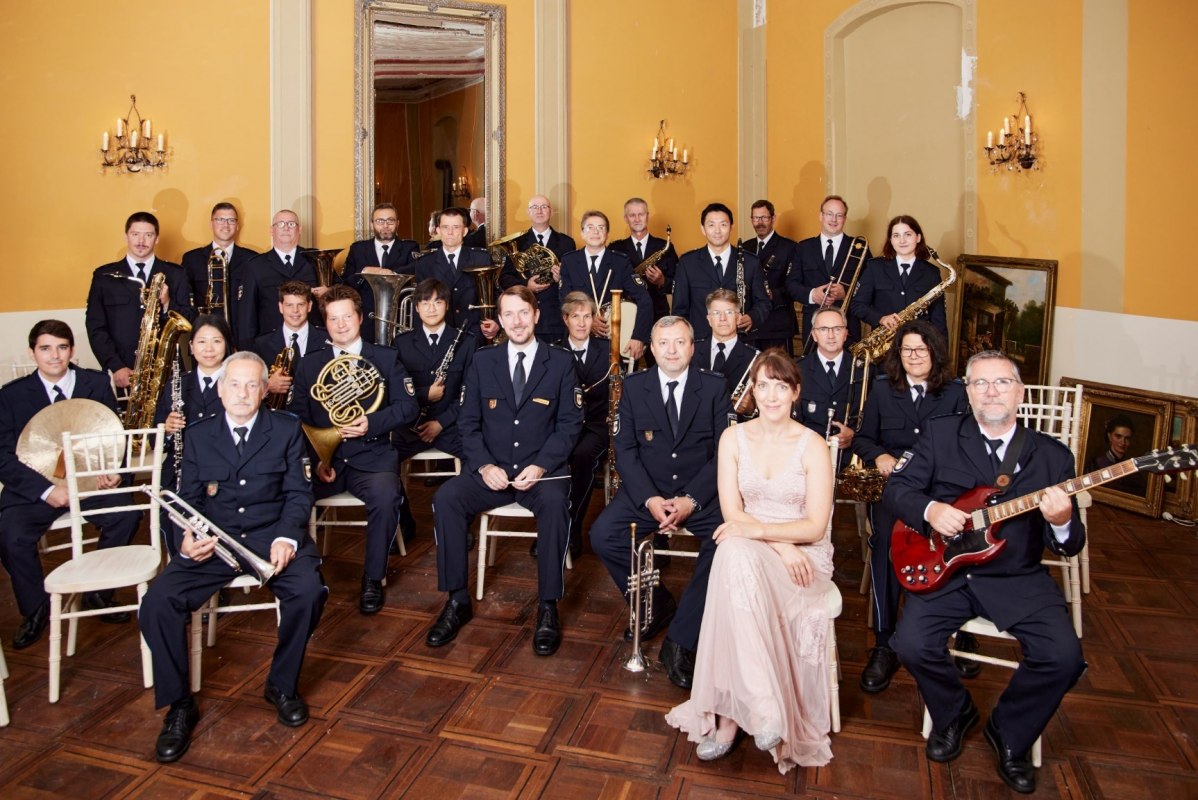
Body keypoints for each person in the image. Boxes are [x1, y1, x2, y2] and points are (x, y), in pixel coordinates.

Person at [888, 351, 1087, 794]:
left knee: (1064, 657)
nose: (991, 392)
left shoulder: (1052, 457)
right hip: (950, 572)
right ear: (968, 392)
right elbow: (897, 489)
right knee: (911, 644)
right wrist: (931, 509)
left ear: (1020, 393)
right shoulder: (940, 433)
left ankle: (1010, 733)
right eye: (980, 383)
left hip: (1017, 576)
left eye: (1002, 382)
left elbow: (1070, 544)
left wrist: (1061, 521)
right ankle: (954, 713)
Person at [139, 351, 327, 763]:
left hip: (270, 536)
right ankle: (179, 704)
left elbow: (299, 493)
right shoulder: (199, 435)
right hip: (213, 542)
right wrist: (186, 539)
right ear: (221, 389)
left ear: (263, 391)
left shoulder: (286, 429)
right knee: (156, 603)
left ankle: (281, 685)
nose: (242, 393)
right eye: (234, 384)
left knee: (309, 592)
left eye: (251, 385)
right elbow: (187, 500)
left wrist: (287, 537)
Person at [665, 349, 834, 771]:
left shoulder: (813, 446)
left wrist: (775, 542)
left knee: (731, 554)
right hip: (765, 549)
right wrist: (777, 544)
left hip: (803, 557)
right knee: (733, 552)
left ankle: (728, 721)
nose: (771, 395)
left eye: (781, 386)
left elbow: (815, 527)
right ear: (752, 392)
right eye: (763, 386)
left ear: (795, 392)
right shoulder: (733, 438)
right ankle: (763, 707)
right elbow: (733, 513)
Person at [425, 286, 582, 656]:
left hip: (540, 473)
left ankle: (548, 606)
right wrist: (483, 465)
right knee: (446, 498)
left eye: (523, 312)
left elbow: (569, 425)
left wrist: (541, 466)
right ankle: (457, 600)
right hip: (491, 471)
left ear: (537, 315)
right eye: (508, 314)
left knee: (556, 505)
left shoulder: (560, 362)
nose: (517, 321)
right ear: (499, 320)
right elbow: (468, 424)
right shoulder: (483, 361)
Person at [588, 316, 733, 689]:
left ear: (692, 347)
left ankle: (681, 639)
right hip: (647, 492)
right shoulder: (634, 386)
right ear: (651, 349)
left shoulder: (714, 387)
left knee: (726, 544)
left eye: (680, 342)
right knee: (603, 535)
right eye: (663, 343)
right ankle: (655, 603)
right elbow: (625, 450)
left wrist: (691, 500)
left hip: (700, 495)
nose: (672, 350)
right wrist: (650, 498)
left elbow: (724, 453)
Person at [0, 320, 143, 649]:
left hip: (90, 482)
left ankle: (98, 591)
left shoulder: (96, 383)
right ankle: (36, 609)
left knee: (126, 516)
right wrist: (47, 491)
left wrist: (116, 471)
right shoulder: (11, 395)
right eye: (45, 348)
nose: (54, 356)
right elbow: (3, 456)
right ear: (32, 352)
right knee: (11, 536)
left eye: (62, 347)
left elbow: (113, 433)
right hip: (36, 488)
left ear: (72, 350)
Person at [852, 320, 971, 693]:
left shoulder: (956, 393)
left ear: (934, 352)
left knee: (961, 542)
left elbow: (968, 447)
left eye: (921, 349)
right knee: (885, 545)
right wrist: (879, 455)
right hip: (896, 491)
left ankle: (959, 632)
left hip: (942, 492)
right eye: (907, 350)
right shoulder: (883, 389)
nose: (914, 356)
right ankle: (884, 642)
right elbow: (863, 439)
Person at [290, 285, 419, 614]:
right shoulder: (309, 365)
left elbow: (408, 408)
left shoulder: (385, 358)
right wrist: (317, 459)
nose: (341, 324)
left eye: (347, 317)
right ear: (325, 323)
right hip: (327, 461)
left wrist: (371, 423)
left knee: (386, 496)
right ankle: (303, 579)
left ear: (360, 318)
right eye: (333, 319)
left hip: (371, 457)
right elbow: (299, 420)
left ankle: (372, 578)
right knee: (288, 495)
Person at [392, 278, 477, 538]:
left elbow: (471, 394)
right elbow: (396, 391)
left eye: (438, 302)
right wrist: (423, 395)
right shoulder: (402, 343)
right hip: (412, 426)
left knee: (478, 457)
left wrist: (441, 423)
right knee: (383, 457)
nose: (431, 308)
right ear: (416, 307)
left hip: (451, 426)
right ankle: (404, 523)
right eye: (425, 303)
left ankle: (462, 523)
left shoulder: (467, 342)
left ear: (447, 306)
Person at [156, 315, 235, 556]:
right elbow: (154, 440)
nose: (208, 349)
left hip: (226, 469)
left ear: (227, 346)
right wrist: (167, 430)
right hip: (181, 470)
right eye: (201, 342)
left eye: (216, 341)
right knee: (171, 516)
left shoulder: (238, 383)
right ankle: (182, 562)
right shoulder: (176, 384)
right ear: (191, 347)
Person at [85, 211, 193, 389]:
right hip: (124, 371)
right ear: (126, 236)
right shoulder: (104, 276)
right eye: (135, 234)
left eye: (148, 235)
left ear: (157, 239)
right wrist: (115, 366)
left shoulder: (176, 273)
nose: (141, 241)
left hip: (165, 369)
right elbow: (95, 327)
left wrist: (167, 303)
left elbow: (188, 317)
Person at [552, 292, 611, 560]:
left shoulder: (608, 350)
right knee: (550, 455)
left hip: (597, 426)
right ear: (565, 319)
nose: (581, 322)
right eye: (575, 316)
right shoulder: (553, 352)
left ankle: (571, 528)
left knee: (582, 456)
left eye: (587, 316)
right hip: (563, 426)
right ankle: (549, 528)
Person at [559, 209, 653, 362]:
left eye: (601, 227)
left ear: (607, 234)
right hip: (578, 339)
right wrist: (589, 321)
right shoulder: (569, 261)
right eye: (590, 227)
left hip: (612, 342)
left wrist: (639, 337)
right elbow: (564, 301)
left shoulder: (621, 262)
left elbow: (645, 300)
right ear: (582, 233)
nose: (595, 232)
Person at [672, 203, 770, 341]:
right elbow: (679, 310)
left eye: (723, 225)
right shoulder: (687, 263)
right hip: (700, 343)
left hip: (741, 341)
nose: (717, 231)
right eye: (711, 225)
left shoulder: (750, 262)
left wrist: (752, 317)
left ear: (731, 227)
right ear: (703, 229)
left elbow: (764, 303)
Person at [788, 195, 872, 345]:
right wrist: (812, 294)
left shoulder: (859, 248)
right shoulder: (803, 248)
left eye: (839, 215)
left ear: (845, 218)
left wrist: (847, 293)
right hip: (813, 325)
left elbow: (870, 286)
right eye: (829, 214)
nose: (834, 219)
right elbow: (791, 285)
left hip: (848, 324)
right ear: (821, 216)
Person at [850, 214, 948, 340]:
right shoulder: (875, 267)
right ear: (891, 240)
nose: (902, 240)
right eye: (896, 235)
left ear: (918, 237)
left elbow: (939, 320)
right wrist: (880, 318)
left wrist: (941, 350)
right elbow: (857, 305)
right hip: (883, 344)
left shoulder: (932, 273)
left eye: (908, 234)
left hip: (918, 344)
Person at [237, 210, 323, 350]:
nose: (286, 228)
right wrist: (247, 352)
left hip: (313, 344)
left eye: (291, 224)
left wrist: (328, 292)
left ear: (299, 229)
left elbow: (337, 295)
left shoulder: (317, 259)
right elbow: (247, 315)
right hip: (270, 345)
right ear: (272, 230)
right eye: (281, 224)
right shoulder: (255, 266)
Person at [497, 194, 576, 342]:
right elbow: (504, 279)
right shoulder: (517, 243)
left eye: (544, 207)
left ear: (551, 211)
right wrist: (526, 285)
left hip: (556, 317)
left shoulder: (567, 242)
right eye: (534, 207)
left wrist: (562, 277)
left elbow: (576, 280)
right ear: (528, 212)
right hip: (524, 317)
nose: (539, 211)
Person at [414, 207, 498, 340]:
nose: (450, 232)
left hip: (476, 334)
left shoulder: (481, 258)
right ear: (438, 231)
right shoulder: (424, 263)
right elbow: (420, 302)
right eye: (445, 227)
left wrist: (496, 322)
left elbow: (495, 294)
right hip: (439, 335)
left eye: (456, 227)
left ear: (465, 231)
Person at [341, 203, 420, 340]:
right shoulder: (358, 249)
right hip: (365, 320)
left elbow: (415, 268)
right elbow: (346, 281)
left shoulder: (410, 247)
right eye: (380, 221)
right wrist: (364, 271)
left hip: (398, 320)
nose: (385, 225)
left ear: (398, 223)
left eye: (390, 221)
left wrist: (387, 273)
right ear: (372, 224)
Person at [180, 202, 259, 336]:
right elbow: (185, 301)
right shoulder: (191, 259)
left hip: (242, 336)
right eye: (220, 220)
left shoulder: (252, 259)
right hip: (205, 335)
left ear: (237, 225)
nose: (225, 225)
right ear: (211, 224)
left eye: (231, 220)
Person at [796, 307, 861, 467]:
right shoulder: (797, 370)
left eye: (837, 329)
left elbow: (874, 419)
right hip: (808, 457)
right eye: (824, 329)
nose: (831, 335)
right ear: (814, 335)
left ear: (846, 333)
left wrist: (854, 435)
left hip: (850, 457)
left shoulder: (863, 369)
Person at [251, 281, 327, 409]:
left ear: (309, 306)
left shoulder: (327, 339)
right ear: (280, 307)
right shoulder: (261, 344)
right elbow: (250, 387)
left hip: (318, 413)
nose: (295, 311)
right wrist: (267, 385)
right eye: (289, 305)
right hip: (279, 416)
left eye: (300, 304)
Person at [608, 197, 677, 325]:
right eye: (632, 215)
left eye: (641, 214)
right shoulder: (615, 248)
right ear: (626, 219)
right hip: (626, 314)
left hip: (658, 315)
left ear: (647, 216)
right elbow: (608, 284)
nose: (637, 219)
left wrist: (662, 281)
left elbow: (678, 284)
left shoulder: (665, 246)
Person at [742, 200, 798, 353]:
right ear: (751, 220)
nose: (760, 222)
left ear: (773, 218)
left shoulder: (789, 247)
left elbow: (794, 286)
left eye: (764, 218)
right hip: (751, 324)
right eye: (756, 218)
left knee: (779, 368)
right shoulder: (745, 247)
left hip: (777, 324)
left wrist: (773, 294)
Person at [693, 289, 759, 413]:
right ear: (709, 319)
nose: (722, 318)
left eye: (729, 312)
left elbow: (763, 407)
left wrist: (750, 409)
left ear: (738, 318)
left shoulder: (754, 358)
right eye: (716, 313)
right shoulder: (692, 351)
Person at [1088, 414, 1147, 494]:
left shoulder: (1134, 470)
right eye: (1118, 436)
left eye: (1127, 438)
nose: (1123, 443)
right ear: (1109, 436)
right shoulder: (1095, 464)